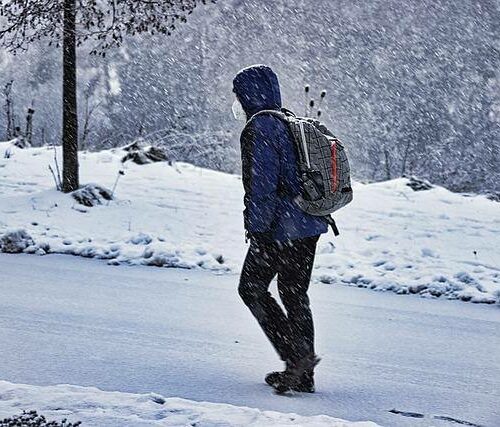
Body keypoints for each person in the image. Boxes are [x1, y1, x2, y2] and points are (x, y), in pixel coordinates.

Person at [232, 65, 328, 393]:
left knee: (251, 288)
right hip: (310, 222)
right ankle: (303, 374)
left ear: (248, 96)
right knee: (294, 292)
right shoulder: (287, 120)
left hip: (280, 229)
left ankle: (295, 359)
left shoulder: (260, 127)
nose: (238, 103)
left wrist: (257, 231)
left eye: (239, 96)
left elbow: (262, 187)